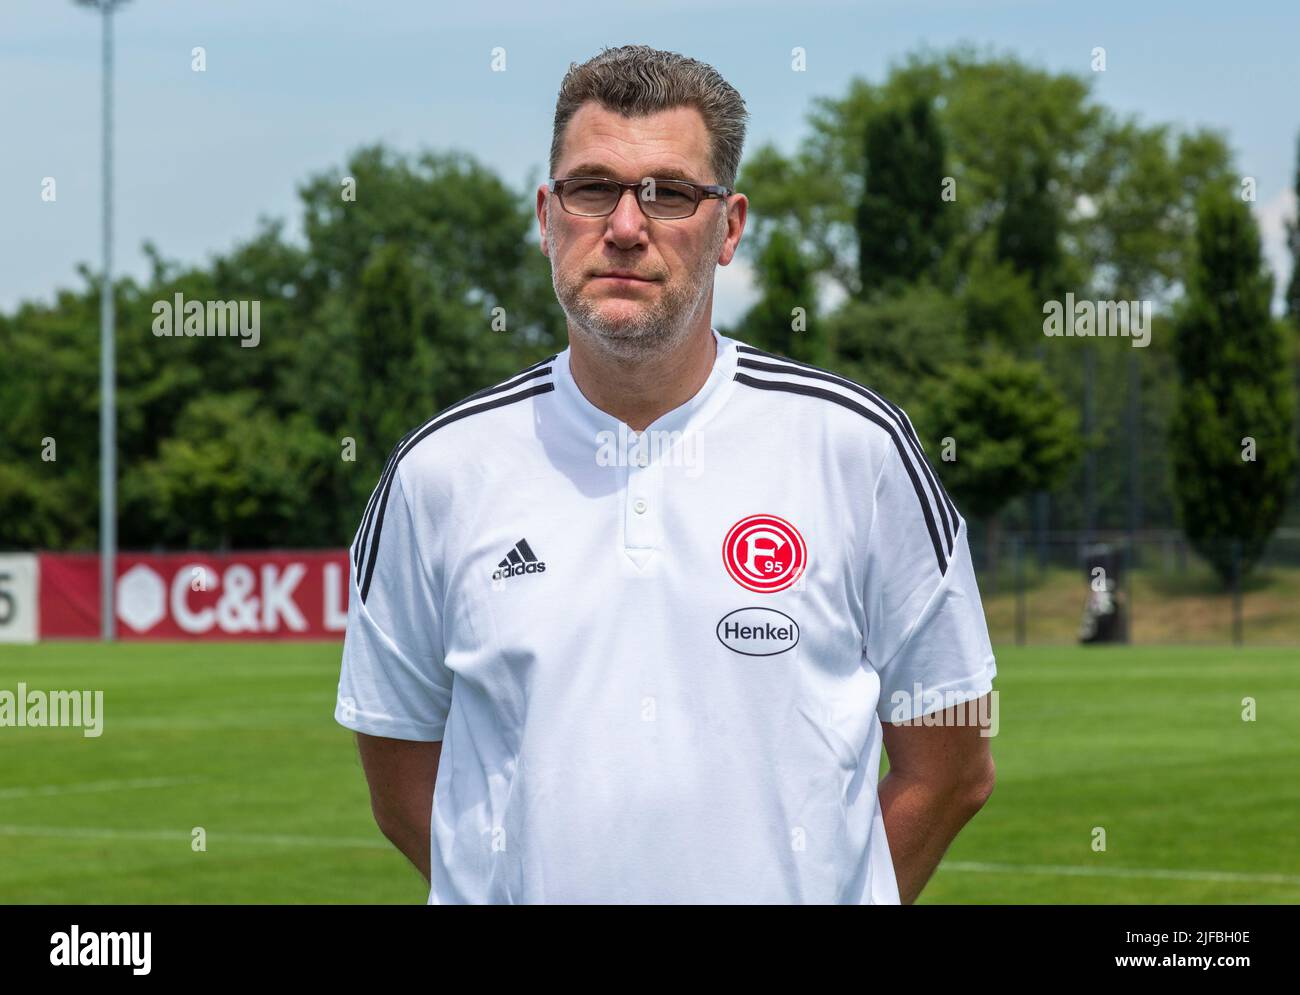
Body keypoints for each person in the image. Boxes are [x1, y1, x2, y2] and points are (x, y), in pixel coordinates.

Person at [335, 44, 996, 904]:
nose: (623, 225)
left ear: (730, 227)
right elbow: (398, 773)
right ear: (546, 215)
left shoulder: (856, 448)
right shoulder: (439, 472)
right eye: (590, 187)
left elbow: (951, 762)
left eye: (669, 193)